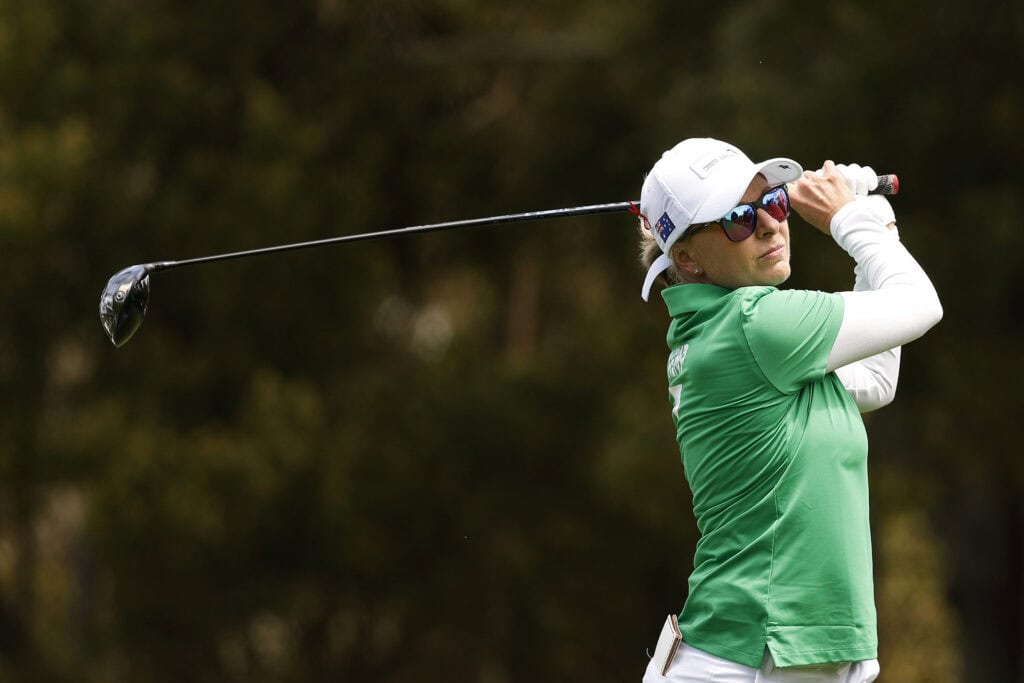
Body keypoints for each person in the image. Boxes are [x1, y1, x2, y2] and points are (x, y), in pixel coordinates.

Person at [634, 138, 942, 683]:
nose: (771, 225)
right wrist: (849, 218)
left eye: (774, 202)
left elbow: (875, 379)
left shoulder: (729, 333)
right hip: (749, 659)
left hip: (771, 657)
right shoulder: (755, 323)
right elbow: (921, 305)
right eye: (737, 219)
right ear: (686, 258)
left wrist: (876, 221)